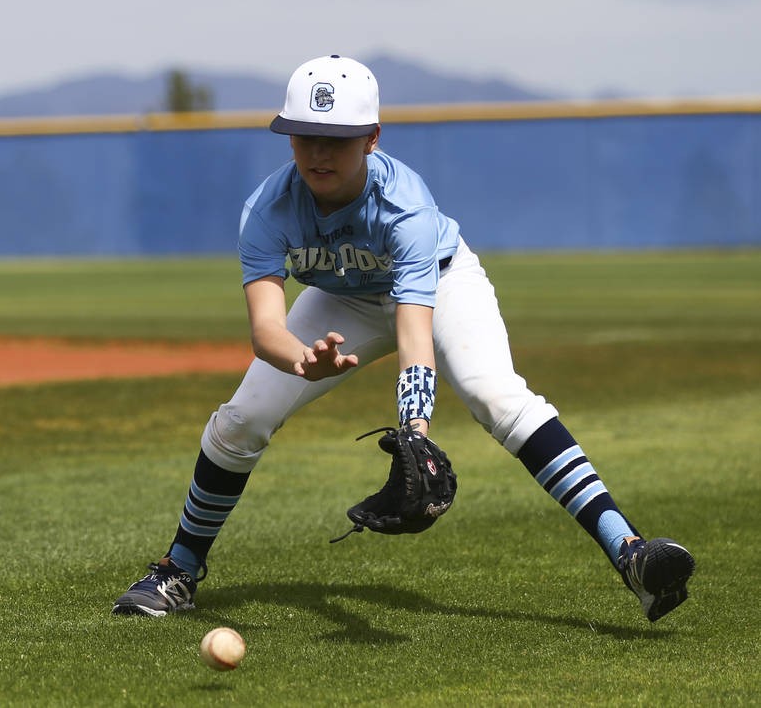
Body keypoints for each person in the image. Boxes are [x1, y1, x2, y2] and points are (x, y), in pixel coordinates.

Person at [112, 55, 695, 622]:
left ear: (371, 138)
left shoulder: (405, 206)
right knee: (243, 417)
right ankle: (178, 569)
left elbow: (414, 325)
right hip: (341, 297)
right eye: (303, 135)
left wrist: (415, 434)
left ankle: (630, 552)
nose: (317, 152)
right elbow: (267, 327)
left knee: (495, 396)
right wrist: (302, 359)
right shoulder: (267, 208)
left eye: (336, 138)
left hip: (439, 281)